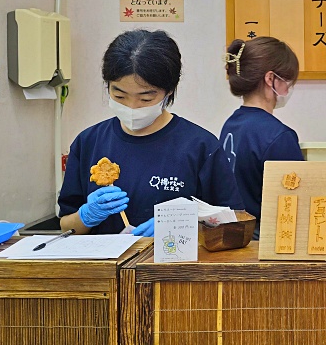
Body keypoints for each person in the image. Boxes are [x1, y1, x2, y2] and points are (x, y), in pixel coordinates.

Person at [58, 29, 243, 236]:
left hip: (174, 267)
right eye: (119, 96)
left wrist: (182, 226)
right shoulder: (88, 143)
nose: (133, 106)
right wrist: (86, 216)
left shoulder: (201, 147)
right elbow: (67, 226)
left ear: (169, 91)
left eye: (146, 99)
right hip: (105, 268)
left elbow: (233, 224)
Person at [219, 37, 303, 228]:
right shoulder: (278, 137)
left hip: (234, 235)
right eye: (288, 80)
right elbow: (295, 204)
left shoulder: (231, 124)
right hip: (265, 242)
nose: (289, 87)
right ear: (270, 78)